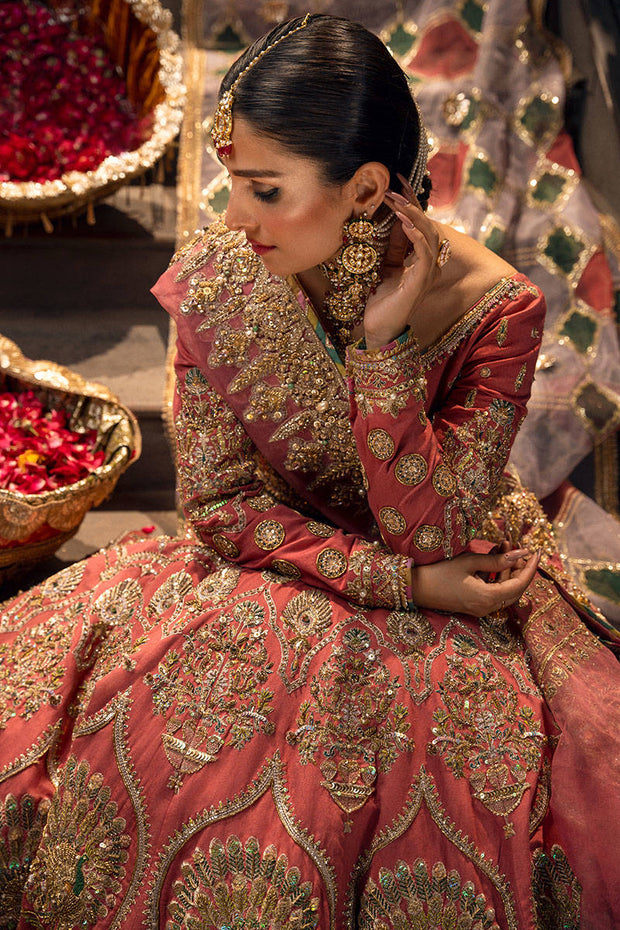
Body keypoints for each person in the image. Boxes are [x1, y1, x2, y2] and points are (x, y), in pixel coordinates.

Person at [1, 14, 619, 929]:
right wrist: (401, 585)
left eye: (264, 189)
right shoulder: (224, 273)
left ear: (366, 187)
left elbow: (432, 527)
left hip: (457, 580)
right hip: (273, 567)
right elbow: (218, 508)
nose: (234, 217)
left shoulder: (498, 309)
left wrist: (381, 357)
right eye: (230, 183)